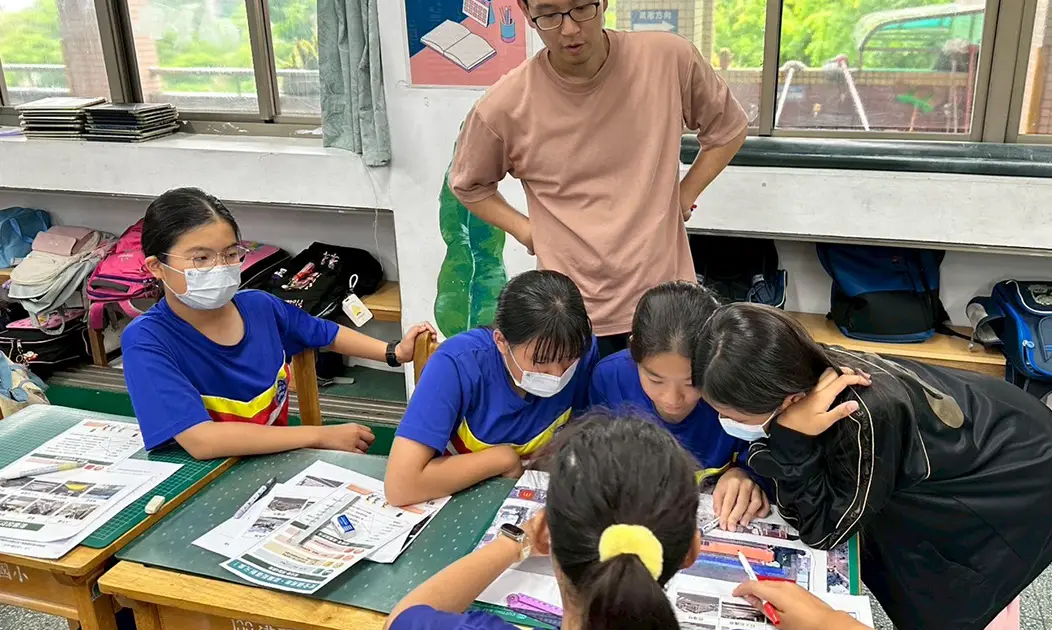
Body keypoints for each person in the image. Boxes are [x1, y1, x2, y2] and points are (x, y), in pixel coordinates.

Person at [380, 412, 974, 630]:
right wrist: (829, 625)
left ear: (547, 534)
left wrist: (514, 543)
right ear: (690, 550)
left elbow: (404, 622)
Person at [693, 304, 1052, 630]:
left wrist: (790, 442)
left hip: (1020, 478)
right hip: (985, 442)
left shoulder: (858, 417)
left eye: (734, 416)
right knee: (920, 591)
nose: (725, 421)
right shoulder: (798, 373)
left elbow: (823, 530)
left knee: (956, 602)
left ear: (788, 401)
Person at [449, 0, 748, 358]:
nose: (569, 29)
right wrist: (527, 231)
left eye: (582, 7)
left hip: (667, 305)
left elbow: (728, 129)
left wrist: (684, 194)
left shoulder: (668, 60)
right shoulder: (505, 105)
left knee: (669, 402)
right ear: (524, 9)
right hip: (570, 313)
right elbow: (468, 185)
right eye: (549, 14)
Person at [121, 188, 434, 459]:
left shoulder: (259, 307)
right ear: (157, 267)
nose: (220, 268)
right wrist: (318, 436)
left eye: (230, 254)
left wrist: (394, 352)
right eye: (201, 258)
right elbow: (201, 441)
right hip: (207, 475)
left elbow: (323, 332)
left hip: (274, 461)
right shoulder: (148, 339)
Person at [384, 269, 596, 507]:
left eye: (567, 359)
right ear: (501, 342)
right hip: (458, 498)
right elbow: (400, 486)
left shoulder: (584, 352)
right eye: (541, 361)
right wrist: (501, 460)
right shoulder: (457, 364)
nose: (557, 374)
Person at [589, 281, 770, 530]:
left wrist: (745, 474)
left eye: (692, 382)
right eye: (655, 380)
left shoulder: (737, 390)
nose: (672, 399)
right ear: (633, 352)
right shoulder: (608, 379)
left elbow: (764, 453)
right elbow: (592, 457)